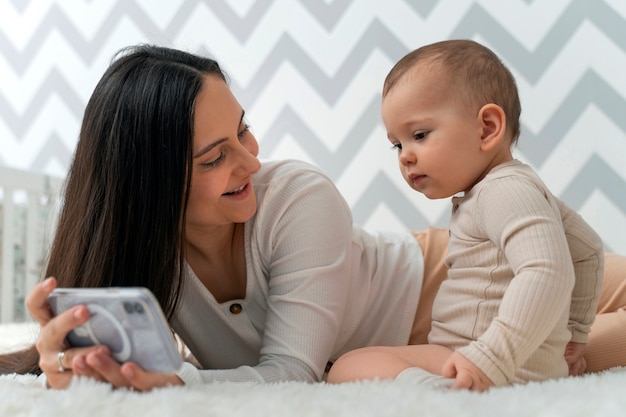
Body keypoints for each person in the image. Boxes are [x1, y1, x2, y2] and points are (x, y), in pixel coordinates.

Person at [0, 44, 624, 392]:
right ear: (150, 186)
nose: (252, 158)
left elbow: (291, 375)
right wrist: (71, 363)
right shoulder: (142, 256)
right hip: (440, 314)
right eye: (217, 156)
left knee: (564, 351)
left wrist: (564, 331)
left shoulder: (298, 196)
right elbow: (153, 369)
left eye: (242, 129)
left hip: (455, 276)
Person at [326, 39, 615, 391]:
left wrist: (490, 358)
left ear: (487, 128)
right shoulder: (513, 187)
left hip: (485, 361)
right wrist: (576, 334)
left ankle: (440, 393)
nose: (405, 156)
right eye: (398, 144)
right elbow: (587, 249)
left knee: (349, 364)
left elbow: (547, 271)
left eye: (419, 134)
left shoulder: (504, 190)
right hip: (487, 358)